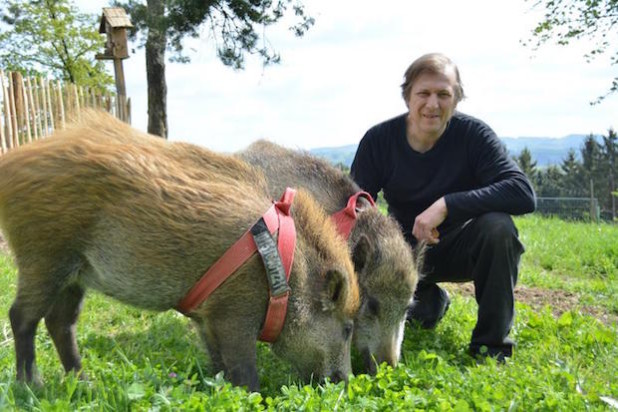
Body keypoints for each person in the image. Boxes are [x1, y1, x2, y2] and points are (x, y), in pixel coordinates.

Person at [350, 53, 536, 362]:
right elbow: (353, 207)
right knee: (418, 312)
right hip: (404, 257)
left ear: (457, 98)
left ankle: (491, 347)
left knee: (499, 227)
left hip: (461, 246)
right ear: (407, 96)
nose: (432, 104)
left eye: (443, 94)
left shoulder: (474, 136)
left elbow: (522, 192)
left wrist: (448, 204)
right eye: (423, 93)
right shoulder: (379, 141)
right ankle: (430, 301)